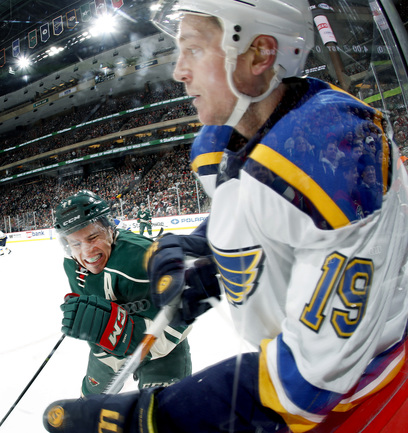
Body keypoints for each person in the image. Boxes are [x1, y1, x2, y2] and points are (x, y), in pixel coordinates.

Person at [43, 1, 408, 432]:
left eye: (194, 50)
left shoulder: (333, 160)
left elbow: (310, 380)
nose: (179, 71)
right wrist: (204, 251)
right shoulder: (227, 140)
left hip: (363, 405)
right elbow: (263, 215)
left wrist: (153, 417)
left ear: (260, 53)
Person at [52, 190, 194, 396]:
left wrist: (121, 333)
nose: (87, 252)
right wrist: (87, 321)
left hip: (164, 353)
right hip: (108, 353)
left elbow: (180, 318)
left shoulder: (144, 259)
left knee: (162, 411)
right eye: (75, 243)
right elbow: (94, 319)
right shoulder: (72, 263)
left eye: (93, 237)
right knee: (90, 407)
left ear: (110, 229)